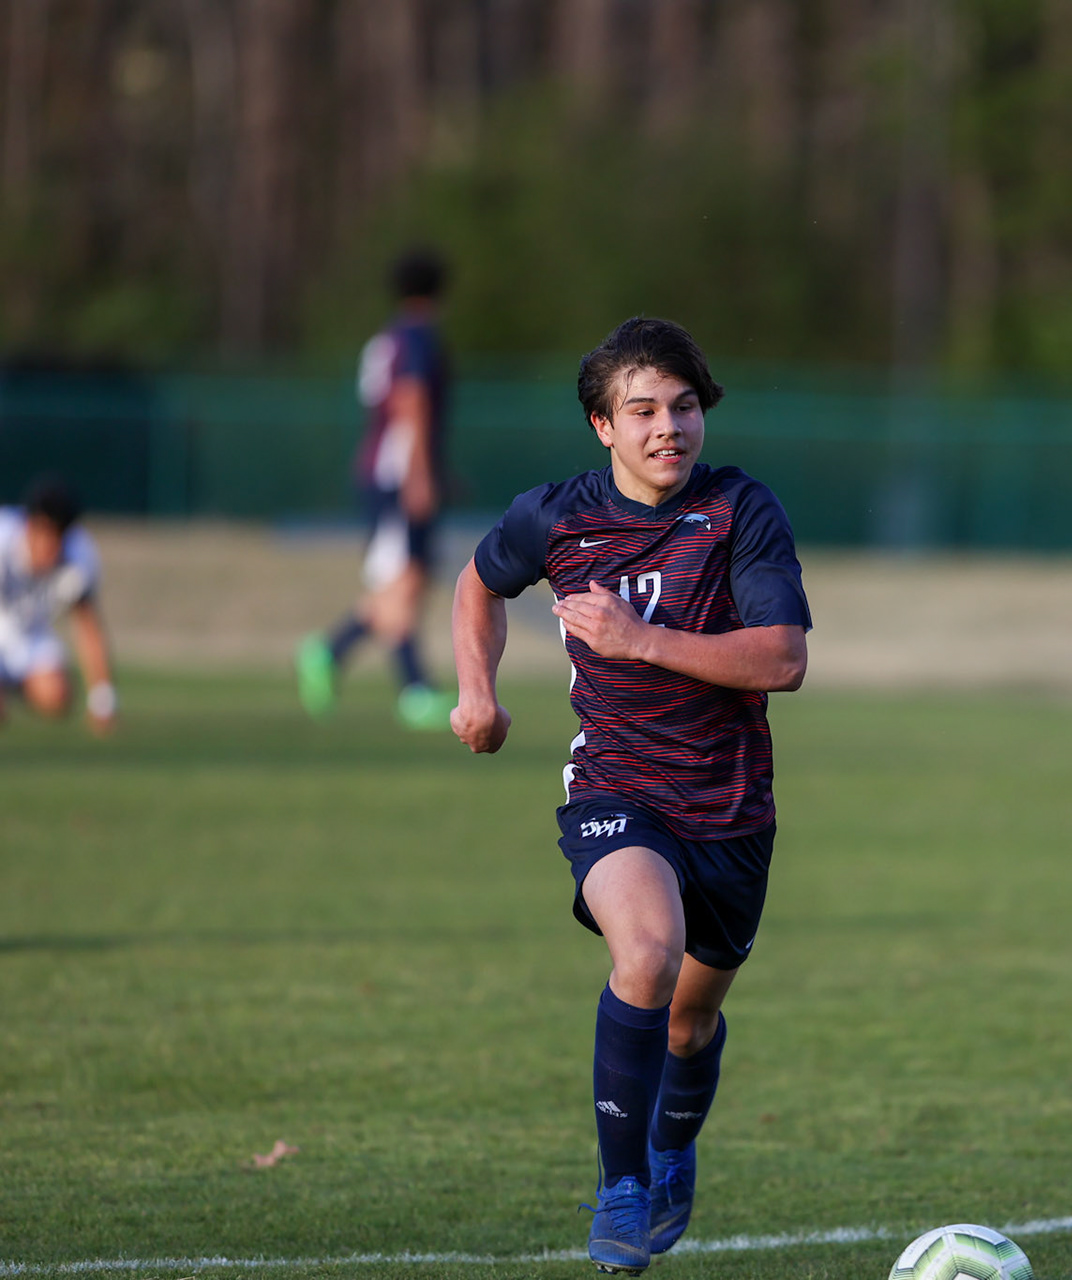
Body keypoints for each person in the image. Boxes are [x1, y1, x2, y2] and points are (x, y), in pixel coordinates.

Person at [449, 317, 810, 1273]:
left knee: (691, 1020)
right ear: (603, 426)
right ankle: (622, 1187)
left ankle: (671, 1146)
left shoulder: (741, 511)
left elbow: (782, 658)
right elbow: (479, 585)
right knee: (644, 957)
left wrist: (638, 639)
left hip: (731, 807)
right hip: (617, 785)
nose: (668, 429)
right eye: (642, 411)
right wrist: (477, 693)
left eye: (684, 407)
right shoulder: (556, 518)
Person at [298, 247, 456, 730]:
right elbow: (411, 402)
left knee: (405, 580)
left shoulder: (386, 338)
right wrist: (421, 474)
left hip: (384, 470)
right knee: (405, 578)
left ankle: (341, 657)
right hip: (397, 473)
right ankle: (399, 683)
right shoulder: (418, 337)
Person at [0, 477, 117, 734]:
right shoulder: (2, 540)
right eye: (46, 533)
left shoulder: (78, 556)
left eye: (60, 536)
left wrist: (103, 702)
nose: (52, 546)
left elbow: (88, 627)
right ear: (29, 525)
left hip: (30, 638)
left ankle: (15, 687)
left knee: (57, 698)